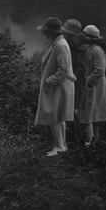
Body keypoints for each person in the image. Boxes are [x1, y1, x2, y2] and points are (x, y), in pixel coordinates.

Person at [34, 17, 76, 157]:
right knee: (58, 116)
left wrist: (50, 81)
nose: (45, 34)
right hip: (58, 85)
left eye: (47, 31)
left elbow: (63, 69)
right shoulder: (57, 42)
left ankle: (59, 146)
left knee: (54, 116)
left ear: (52, 32)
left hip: (59, 85)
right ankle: (61, 145)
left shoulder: (60, 45)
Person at [78, 25, 106, 146]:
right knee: (90, 111)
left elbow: (100, 70)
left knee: (90, 112)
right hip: (93, 83)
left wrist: (88, 83)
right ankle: (93, 140)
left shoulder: (96, 50)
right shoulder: (90, 48)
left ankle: (90, 140)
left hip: (95, 83)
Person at [61, 18, 89, 148]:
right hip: (72, 80)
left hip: (76, 81)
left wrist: (69, 77)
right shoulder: (72, 45)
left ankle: (78, 139)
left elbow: (80, 67)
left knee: (70, 109)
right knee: (69, 109)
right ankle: (76, 138)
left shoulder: (79, 48)